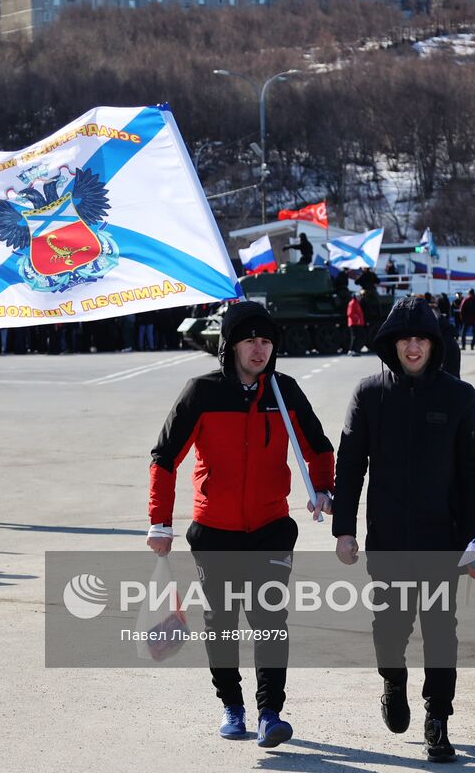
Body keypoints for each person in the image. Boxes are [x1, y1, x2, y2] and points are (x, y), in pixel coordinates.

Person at [148, 300, 335, 748]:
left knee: (270, 619)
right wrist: (160, 521)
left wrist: (323, 488)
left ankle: (271, 713)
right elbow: (165, 457)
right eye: (251, 339)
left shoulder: (284, 391)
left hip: (271, 526)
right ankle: (232, 705)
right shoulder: (202, 393)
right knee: (222, 623)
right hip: (214, 529)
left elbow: (319, 446)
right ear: (231, 345)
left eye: (267, 340)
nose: (260, 349)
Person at [331, 296, 475, 764]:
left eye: (421, 338)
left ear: (433, 344)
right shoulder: (370, 394)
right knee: (390, 626)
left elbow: (474, 474)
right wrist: (344, 529)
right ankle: (393, 680)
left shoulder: (459, 397)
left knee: (441, 630)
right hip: (389, 539)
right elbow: (350, 466)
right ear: (392, 344)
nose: (414, 346)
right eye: (406, 338)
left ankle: (438, 717)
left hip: (444, 539)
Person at [346, 291, 366, 356]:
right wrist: (357, 319)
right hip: (354, 323)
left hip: (357, 323)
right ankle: (352, 350)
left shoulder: (356, 303)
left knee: (357, 337)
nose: (359, 298)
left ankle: (353, 350)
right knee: (355, 337)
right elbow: (350, 313)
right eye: (358, 296)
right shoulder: (352, 303)